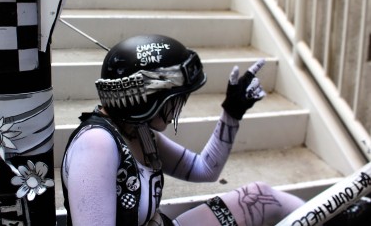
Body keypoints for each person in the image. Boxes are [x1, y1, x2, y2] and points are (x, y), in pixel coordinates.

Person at [61, 34, 305, 226]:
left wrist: (232, 113)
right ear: (150, 100)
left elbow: (204, 169)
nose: (179, 108)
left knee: (261, 197)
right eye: (175, 100)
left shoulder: (141, 132)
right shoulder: (96, 145)